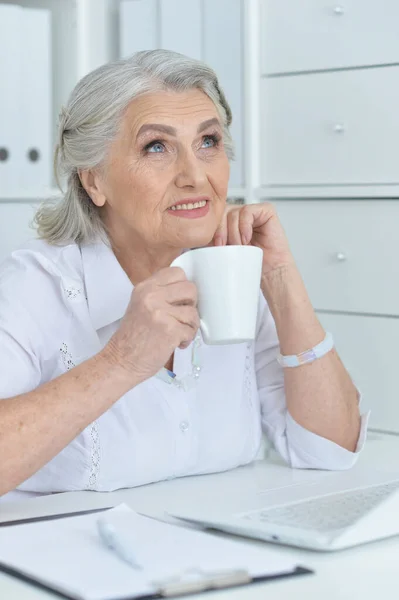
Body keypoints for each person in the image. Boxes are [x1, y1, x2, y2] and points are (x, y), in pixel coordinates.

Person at [0, 50, 366, 503]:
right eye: (157, 147)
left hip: (220, 557)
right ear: (93, 181)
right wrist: (121, 362)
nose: (195, 175)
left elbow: (331, 449)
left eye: (208, 142)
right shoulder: (36, 285)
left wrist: (280, 278)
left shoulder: (232, 273)